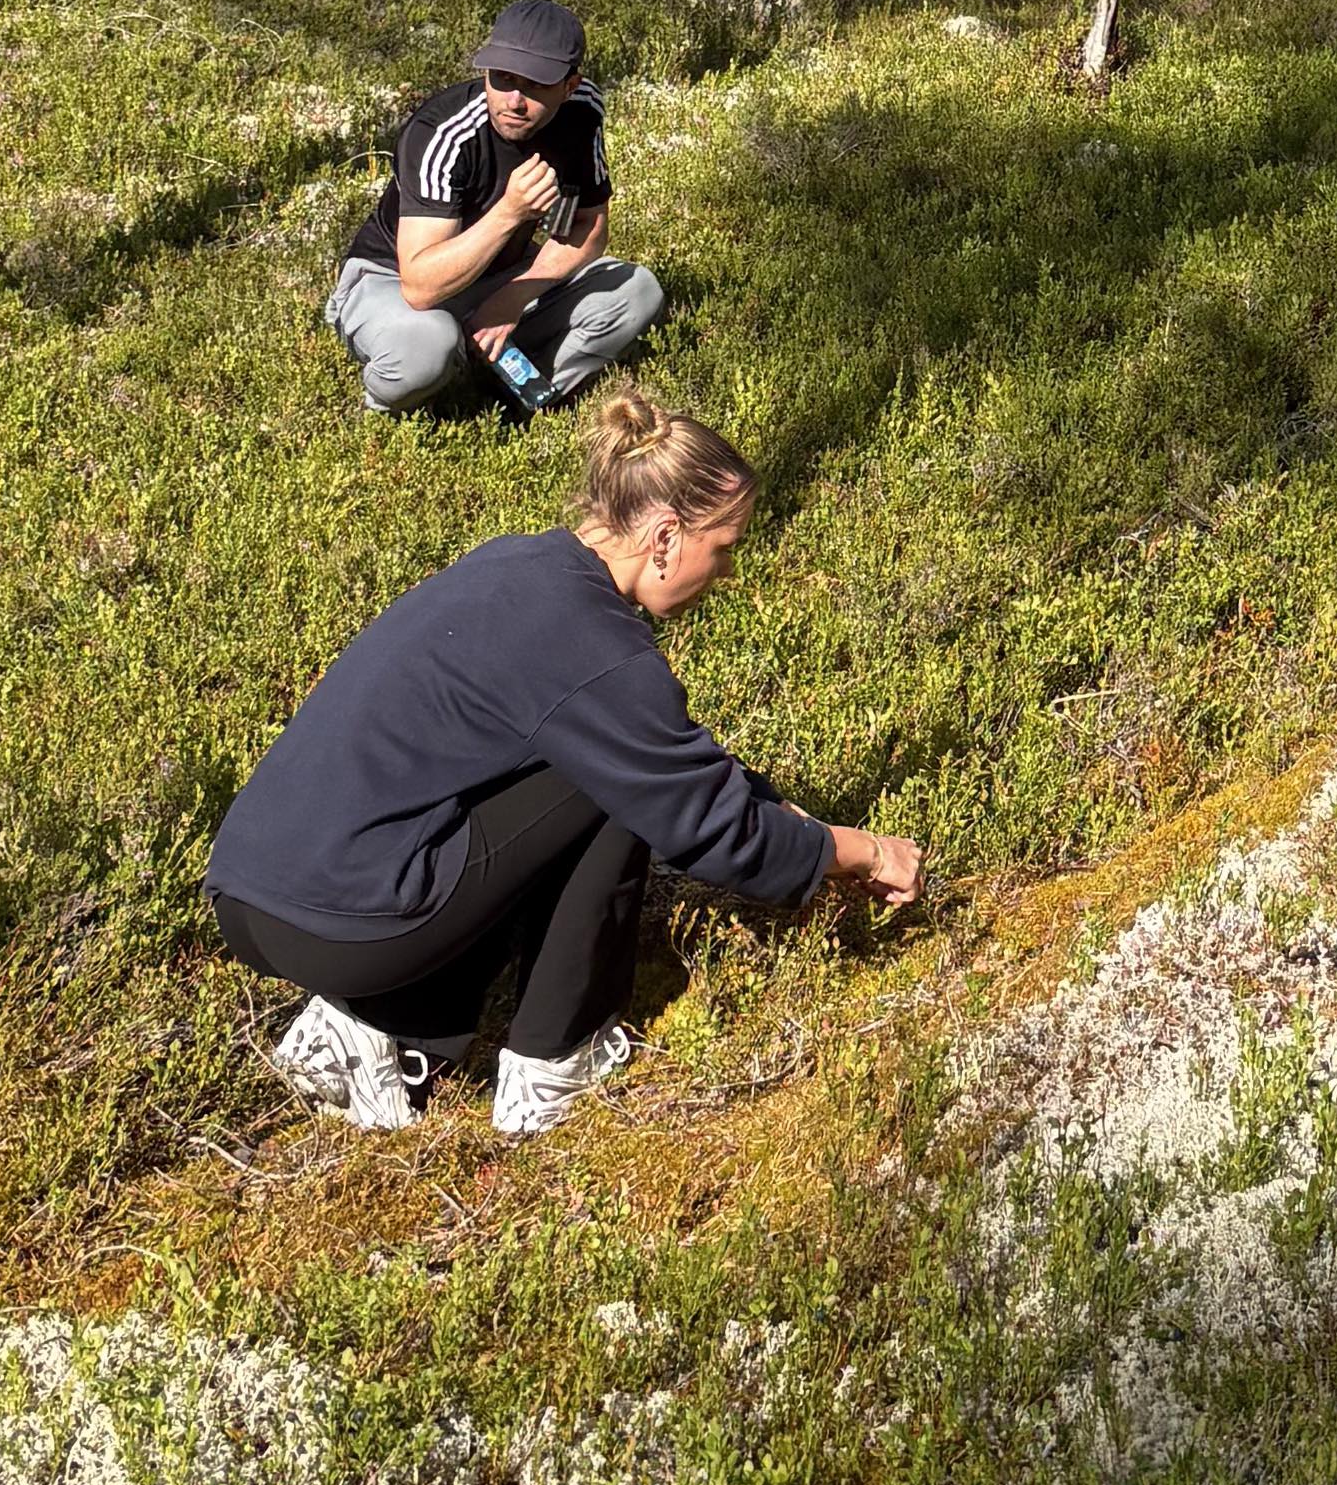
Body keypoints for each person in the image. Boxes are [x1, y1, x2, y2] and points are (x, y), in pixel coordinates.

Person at [207, 389, 926, 1139]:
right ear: (667, 538)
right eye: (726, 548)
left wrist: (776, 808)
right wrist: (856, 852)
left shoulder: (517, 567)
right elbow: (703, 823)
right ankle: (556, 1061)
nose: (727, 575)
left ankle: (370, 1031)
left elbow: (671, 767)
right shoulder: (596, 649)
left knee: (577, 772)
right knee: (606, 786)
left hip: (252, 893)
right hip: (343, 924)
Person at [327, 0, 663, 421]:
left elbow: (586, 228)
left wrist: (512, 297)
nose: (514, 100)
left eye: (536, 84)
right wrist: (510, 212)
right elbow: (420, 285)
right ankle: (382, 411)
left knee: (637, 290)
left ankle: (523, 399)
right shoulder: (441, 132)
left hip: (498, 277)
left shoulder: (582, 112)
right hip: (391, 280)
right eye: (501, 78)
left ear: (570, 85)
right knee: (425, 347)